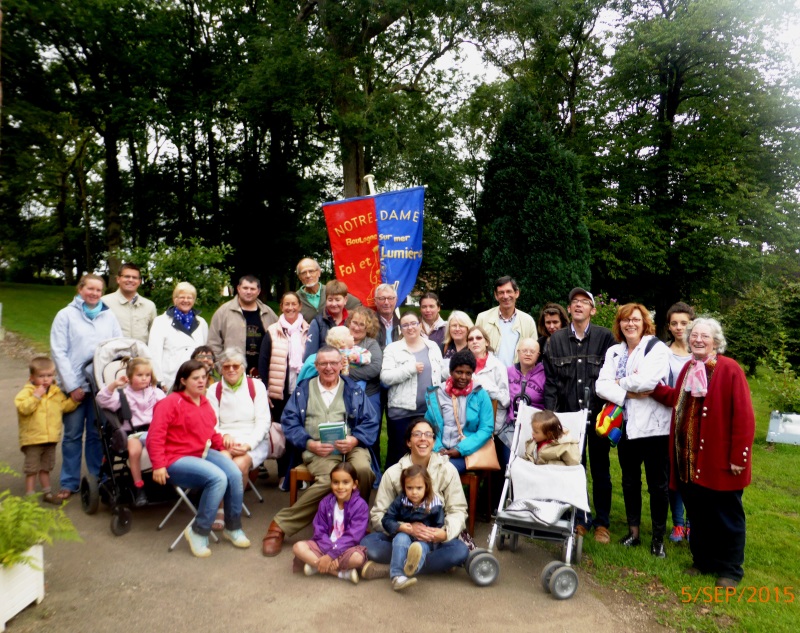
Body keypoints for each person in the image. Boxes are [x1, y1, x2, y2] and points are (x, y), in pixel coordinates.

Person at [651, 318, 754, 587]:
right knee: (698, 514)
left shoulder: (730, 369)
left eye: (704, 336)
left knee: (727, 517)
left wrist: (738, 457)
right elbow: (679, 400)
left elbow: (744, 416)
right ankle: (703, 561)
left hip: (719, 461)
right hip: (689, 460)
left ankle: (730, 570)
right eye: (693, 335)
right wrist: (652, 388)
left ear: (716, 342)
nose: (697, 340)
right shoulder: (689, 367)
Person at [261, 346, 379, 557]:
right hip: (319, 451)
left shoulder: (353, 389)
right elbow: (289, 422)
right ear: (316, 366)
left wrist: (354, 439)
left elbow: (371, 421)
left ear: (341, 365)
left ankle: (354, 523)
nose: (329, 368)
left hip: (351, 447)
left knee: (362, 470)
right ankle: (280, 525)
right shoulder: (303, 390)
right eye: (323, 363)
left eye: (333, 363)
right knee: (331, 480)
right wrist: (309, 443)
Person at [147, 360, 250, 557]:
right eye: (196, 378)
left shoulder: (204, 403)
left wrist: (226, 444)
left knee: (235, 473)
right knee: (218, 478)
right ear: (183, 381)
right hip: (175, 459)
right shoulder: (170, 402)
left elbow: (210, 433)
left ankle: (233, 527)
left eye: (204, 377)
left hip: (201, 452)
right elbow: (155, 436)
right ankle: (198, 531)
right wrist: (158, 465)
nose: (202, 382)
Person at [595, 303, 672, 557]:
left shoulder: (656, 348)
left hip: (654, 428)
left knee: (657, 484)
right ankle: (634, 532)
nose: (630, 324)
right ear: (619, 324)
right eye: (625, 320)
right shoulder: (614, 352)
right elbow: (600, 386)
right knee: (629, 481)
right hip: (625, 426)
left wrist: (617, 383)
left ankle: (658, 538)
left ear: (644, 323)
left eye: (636, 320)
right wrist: (629, 390)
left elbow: (648, 381)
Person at [543, 287, 616, 543]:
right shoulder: (555, 341)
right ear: (570, 309)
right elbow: (551, 383)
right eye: (574, 301)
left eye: (584, 302)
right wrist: (551, 417)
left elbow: (613, 376)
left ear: (592, 310)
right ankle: (580, 518)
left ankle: (602, 523)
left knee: (600, 470)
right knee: (574, 469)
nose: (578, 305)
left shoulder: (606, 339)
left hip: (598, 418)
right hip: (568, 418)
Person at [360, 419, 469, 581]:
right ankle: (430, 565)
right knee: (369, 544)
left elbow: (458, 510)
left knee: (460, 550)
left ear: (433, 441)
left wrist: (443, 533)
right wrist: (406, 528)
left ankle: (391, 569)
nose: (423, 438)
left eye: (428, 435)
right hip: (400, 537)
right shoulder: (393, 473)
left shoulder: (448, 470)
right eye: (417, 434)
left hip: (432, 539)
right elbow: (378, 516)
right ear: (408, 442)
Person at [50, 273, 122, 501]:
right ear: (80, 289)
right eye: (90, 289)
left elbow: (117, 346)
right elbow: (58, 352)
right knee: (72, 435)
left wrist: (110, 382)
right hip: (75, 388)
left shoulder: (108, 316)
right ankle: (69, 482)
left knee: (96, 434)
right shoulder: (66, 316)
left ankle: (95, 478)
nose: (94, 293)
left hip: (99, 386)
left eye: (98, 290)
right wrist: (72, 386)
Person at [207, 349, 270, 530]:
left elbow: (263, 421)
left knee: (238, 466)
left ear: (243, 367)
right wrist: (222, 436)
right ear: (220, 369)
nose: (231, 370)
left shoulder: (256, 386)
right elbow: (211, 422)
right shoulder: (214, 390)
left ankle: (231, 509)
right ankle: (220, 507)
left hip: (253, 439)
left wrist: (248, 444)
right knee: (223, 462)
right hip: (225, 439)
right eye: (226, 366)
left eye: (236, 366)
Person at [95, 357, 166, 506]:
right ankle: (139, 486)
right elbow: (101, 400)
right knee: (133, 451)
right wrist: (114, 384)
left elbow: (168, 410)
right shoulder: (122, 395)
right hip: (132, 434)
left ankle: (166, 478)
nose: (144, 379)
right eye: (139, 375)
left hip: (154, 431)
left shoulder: (155, 393)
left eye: (147, 375)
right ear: (130, 377)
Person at [258, 292, 309, 489]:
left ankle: (299, 474)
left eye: (293, 304)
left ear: (299, 306)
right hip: (280, 392)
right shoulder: (272, 331)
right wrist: (266, 390)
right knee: (282, 432)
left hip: (302, 391)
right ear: (281, 306)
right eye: (286, 304)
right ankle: (283, 475)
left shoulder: (308, 330)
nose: (290, 308)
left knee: (300, 433)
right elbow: (263, 362)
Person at [380, 311, 443, 469]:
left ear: (420, 324)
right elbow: (385, 377)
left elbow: (440, 373)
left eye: (413, 323)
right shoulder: (393, 349)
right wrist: (409, 369)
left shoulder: (432, 347)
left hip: (427, 412)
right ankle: (393, 490)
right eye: (405, 325)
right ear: (401, 328)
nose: (410, 328)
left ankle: (421, 491)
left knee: (424, 454)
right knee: (398, 456)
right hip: (401, 412)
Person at [14, 356, 79, 504]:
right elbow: (23, 408)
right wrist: (36, 396)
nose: (45, 380)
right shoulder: (27, 392)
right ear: (32, 377)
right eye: (41, 376)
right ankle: (30, 496)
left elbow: (63, 406)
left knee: (46, 468)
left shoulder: (56, 392)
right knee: (31, 469)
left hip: (50, 438)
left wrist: (74, 401)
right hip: (32, 439)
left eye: (49, 376)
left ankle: (47, 493)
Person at [292, 462, 368, 584]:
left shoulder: (361, 506)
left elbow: (353, 536)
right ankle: (340, 573)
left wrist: (332, 555)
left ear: (354, 484)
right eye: (336, 482)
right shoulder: (325, 503)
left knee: (358, 559)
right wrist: (329, 554)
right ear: (331, 483)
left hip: (347, 548)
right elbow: (319, 530)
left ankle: (315, 566)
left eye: (345, 482)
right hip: (324, 545)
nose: (340, 487)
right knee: (298, 547)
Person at [425, 350, 495, 474]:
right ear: (451, 372)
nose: (463, 377)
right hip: (438, 449)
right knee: (417, 468)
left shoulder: (480, 394)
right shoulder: (437, 394)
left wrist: (460, 449)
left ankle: (438, 494)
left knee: (443, 471)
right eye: (459, 372)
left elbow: (486, 429)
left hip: (467, 451)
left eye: (468, 373)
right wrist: (438, 448)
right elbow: (428, 427)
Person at [382, 464, 445, 591]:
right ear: (404, 487)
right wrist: (400, 527)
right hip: (406, 535)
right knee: (400, 539)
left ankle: (412, 567)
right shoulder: (401, 500)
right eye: (409, 488)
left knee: (420, 548)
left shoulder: (435, 505)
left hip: (424, 540)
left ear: (426, 487)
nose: (414, 492)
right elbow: (387, 519)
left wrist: (432, 535)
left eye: (419, 488)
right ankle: (397, 577)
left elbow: (439, 526)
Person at [664, 302, 695, 543]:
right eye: (674, 323)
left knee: (692, 475)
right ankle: (678, 523)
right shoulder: (663, 352)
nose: (679, 327)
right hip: (668, 420)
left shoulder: (702, 353)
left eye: (684, 323)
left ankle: (694, 523)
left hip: (694, 422)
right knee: (673, 473)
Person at [207, 275, 278, 376]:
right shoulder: (223, 312)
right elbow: (213, 343)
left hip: (263, 373)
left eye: (252, 289)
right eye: (245, 288)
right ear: (238, 289)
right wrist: (222, 367)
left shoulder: (268, 313)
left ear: (258, 291)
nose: (248, 292)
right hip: (233, 373)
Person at [148, 282, 209, 390]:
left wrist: (205, 376)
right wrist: (159, 381)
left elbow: (205, 351)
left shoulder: (201, 322)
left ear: (194, 300)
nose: (186, 300)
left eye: (189, 297)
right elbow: (154, 354)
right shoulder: (160, 321)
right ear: (174, 299)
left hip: (195, 380)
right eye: (182, 297)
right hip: (170, 380)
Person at [475, 275, 537, 367]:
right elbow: (474, 348)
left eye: (509, 291)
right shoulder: (483, 318)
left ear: (517, 293)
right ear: (496, 296)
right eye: (501, 292)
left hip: (517, 378)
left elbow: (534, 352)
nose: (505, 296)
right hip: (489, 375)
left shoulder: (528, 321)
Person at [101, 263, 157, 343]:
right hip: (113, 353)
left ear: (139, 281)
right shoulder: (104, 302)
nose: (130, 280)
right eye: (127, 276)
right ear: (118, 279)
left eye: (134, 277)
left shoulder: (149, 306)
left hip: (141, 354)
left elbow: (154, 335)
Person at [295, 258, 362, 324]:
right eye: (304, 273)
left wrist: (347, 318)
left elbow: (358, 306)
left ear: (319, 273)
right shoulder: (294, 299)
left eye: (311, 271)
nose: (308, 275)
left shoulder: (331, 290)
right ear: (299, 277)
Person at [304, 280, 351, 359]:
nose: (333, 304)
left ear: (345, 300)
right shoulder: (317, 323)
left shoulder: (352, 321)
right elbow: (310, 356)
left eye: (337, 299)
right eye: (330, 300)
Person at [507, 338, 545, 425]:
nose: (528, 354)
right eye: (524, 351)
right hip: (510, 426)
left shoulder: (545, 375)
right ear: (518, 352)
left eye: (532, 352)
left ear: (538, 355)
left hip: (535, 425)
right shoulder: (508, 372)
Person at [373, 283, 401, 350]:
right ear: (375, 301)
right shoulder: (369, 324)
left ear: (396, 300)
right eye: (382, 298)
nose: (386, 302)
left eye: (390, 298)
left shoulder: (402, 325)